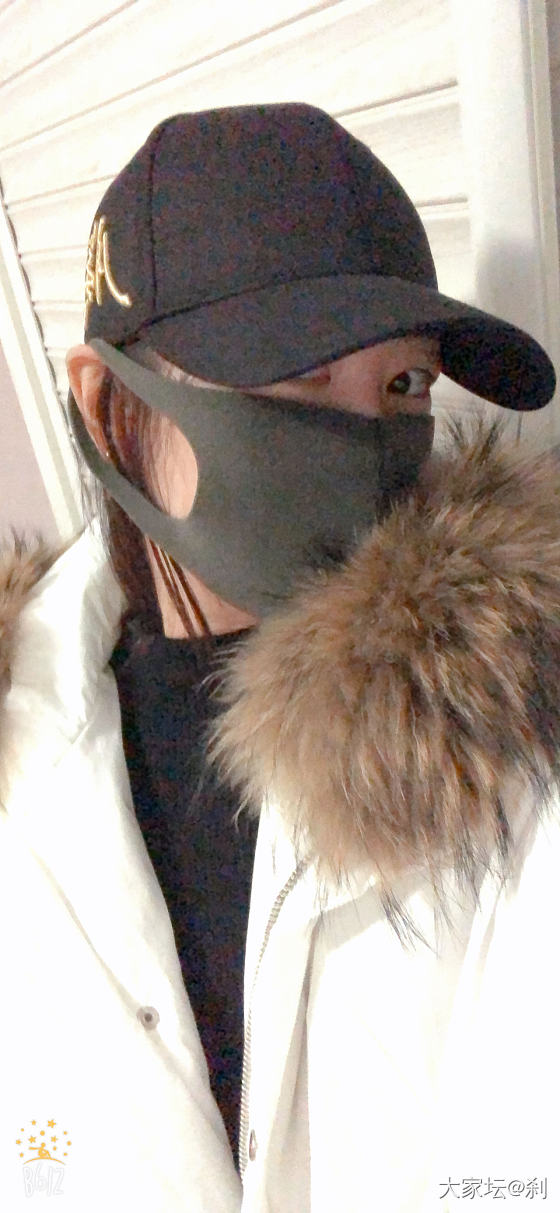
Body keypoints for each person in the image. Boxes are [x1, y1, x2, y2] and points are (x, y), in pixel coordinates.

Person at [1, 102, 559, 1212]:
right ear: (110, 407)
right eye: (298, 372)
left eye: (403, 385)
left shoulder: (492, 732)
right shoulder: (20, 756)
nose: (369, 444)